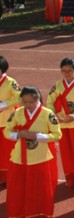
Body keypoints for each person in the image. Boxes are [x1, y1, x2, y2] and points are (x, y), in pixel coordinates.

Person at [3, 86, 62, 218]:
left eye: (31, 102)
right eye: (25, 102)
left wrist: (37, 136)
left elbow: (57, 135)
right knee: (17, 189)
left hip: (40, 157)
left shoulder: (48, 114)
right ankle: (19, 213)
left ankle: (39, 213)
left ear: (37, 100)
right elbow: (7, 131)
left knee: (39, 189)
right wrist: (18, 134)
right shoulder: (18, 113)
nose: (27, 105)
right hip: (19, 157)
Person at [46, 57, 74, 188]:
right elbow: (50, 101)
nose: (67, 74)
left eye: (70, 71)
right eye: (64, 71)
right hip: (62, 123)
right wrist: (54, 115)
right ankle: (71, 178)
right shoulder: (57, 85)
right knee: (66, 153)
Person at [0, 56, 21, 185]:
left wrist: (3, 104)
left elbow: (19, 98)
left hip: (6, 122)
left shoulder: (10, 83)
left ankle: (10, 176)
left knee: (8, 151)